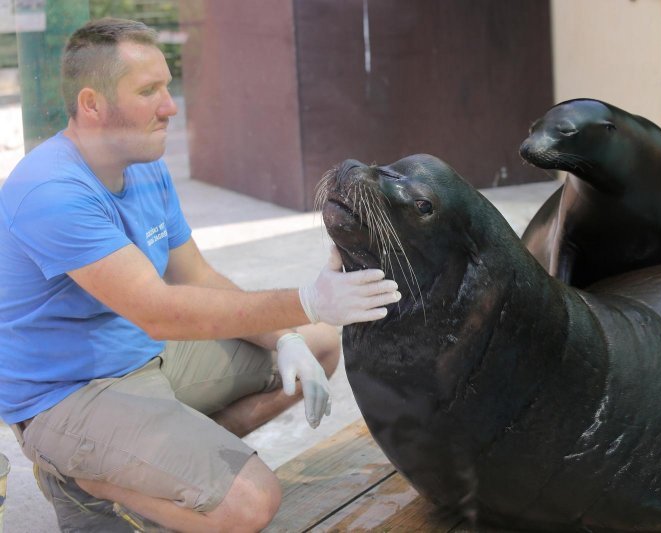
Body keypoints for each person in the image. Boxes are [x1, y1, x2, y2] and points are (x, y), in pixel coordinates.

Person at [0, 17, 401, 532]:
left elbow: (196, 276)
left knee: (317, 346)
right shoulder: (51, 192)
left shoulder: (142, 162)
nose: (170, 106)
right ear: (92, 104)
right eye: (149, 92)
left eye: (168, 86)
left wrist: (286, 336)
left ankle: (163, 466)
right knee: (249, 503)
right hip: (68, 395)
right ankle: (83, 478)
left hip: (144, 358)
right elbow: (158, 312)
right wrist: (307, 299)